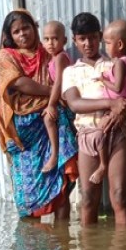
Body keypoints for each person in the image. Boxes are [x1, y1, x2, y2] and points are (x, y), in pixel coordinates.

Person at [0, 9, 79, 219]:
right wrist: (53, 92)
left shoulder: (48, 53)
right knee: (28, 195)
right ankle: (32, 245)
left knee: (61, 186)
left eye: (26, 28)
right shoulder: (6, 57)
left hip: (50, 123)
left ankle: (63, 243)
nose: (23, 34)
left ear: (34, 28)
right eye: (16, 31)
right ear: (9, 36)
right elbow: (18, 83)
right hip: (24, 135)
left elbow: (62, 76)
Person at [61, 12, 126, 226]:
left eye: (92, 37)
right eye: (82, 39)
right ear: (74, 40)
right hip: (88, 136)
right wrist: (110, 104)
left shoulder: (115, 63)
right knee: (89, 198)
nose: (87, 43)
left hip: (118, 133)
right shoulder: (71, 72)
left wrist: (122, 110)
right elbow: (74, 103)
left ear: (100, 36)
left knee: (120, 194)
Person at [94, 19, 126, 184]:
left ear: (119, 44)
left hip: (116, 105)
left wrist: (102, 79)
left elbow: (117, 87)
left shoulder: (120, 63)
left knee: (100, 132)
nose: (105, 47)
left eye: (107, 43)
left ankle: (102, 164)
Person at [41, 20, 74, 173]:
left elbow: (59, 82)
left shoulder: (61, 57)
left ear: (64, 40)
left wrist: (52, 104)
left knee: (48, 118)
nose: (50, 43)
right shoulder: (51, 59)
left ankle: (54, 155)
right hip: (60, 99)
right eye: (46, 39)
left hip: (67, 100)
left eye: (55, 38)